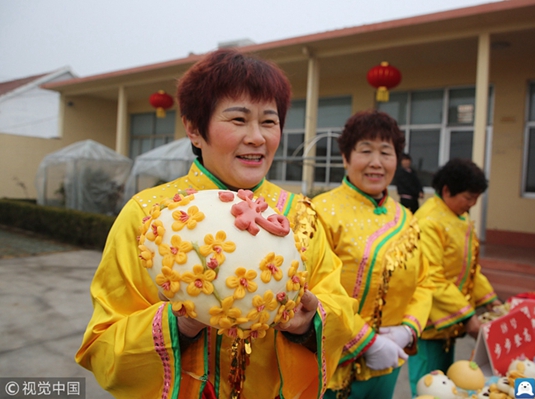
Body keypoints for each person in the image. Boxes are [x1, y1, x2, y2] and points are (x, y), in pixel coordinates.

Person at [75, 49, 358, 399]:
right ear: (194, 129)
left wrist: (307, 325)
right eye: (238, 120)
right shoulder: (148, 215)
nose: (257, 137)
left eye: (269, 121)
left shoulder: (299, 214)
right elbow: (104, 345)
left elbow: (342, 310)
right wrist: (178, 323)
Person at [312, 110, 434, 399]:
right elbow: (312, 288)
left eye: (386, 152)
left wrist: (408, 329)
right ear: (345, 157)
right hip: (331, 364)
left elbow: (424, 282)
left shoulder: (407, 218)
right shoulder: (319, 211)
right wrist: (366, 342)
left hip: (388, 362)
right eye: (365, 151)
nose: (376, 163)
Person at [407, 158, 501, 395]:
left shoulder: (459, 217)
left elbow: (470, 269)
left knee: (449, 385)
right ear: (447, 190)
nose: (472, 204)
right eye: (469, 198)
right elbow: (431, 277)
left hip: (450, 321)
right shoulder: (429, 221)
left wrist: (491, 300)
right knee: (428, 384)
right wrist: (468, 316)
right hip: (430, 323)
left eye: (476, 198)